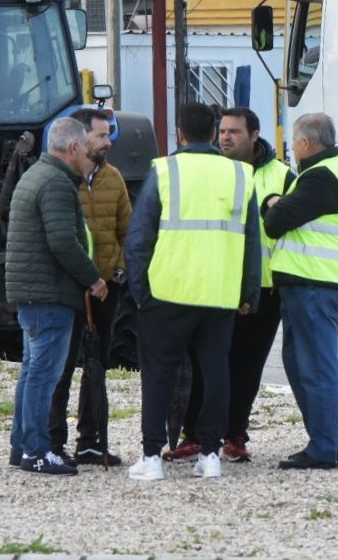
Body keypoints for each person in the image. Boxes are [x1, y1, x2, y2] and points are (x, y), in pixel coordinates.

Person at [124, 101, 261, 482]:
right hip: (219, 293)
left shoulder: (165, 170)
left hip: (167, 291)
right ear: (215, 133)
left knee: (158, 375)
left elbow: (138, 239)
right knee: (217, 374)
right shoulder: (240, 175)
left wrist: (140, 290)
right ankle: (211, 454)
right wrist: (249, 291)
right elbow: (253, 242)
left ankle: (152, 456)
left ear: (179, 133)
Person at [165, 106, 295, 464]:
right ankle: (194, 435)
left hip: (264, 287)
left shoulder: (281, 176)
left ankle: (235, 435)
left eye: (234, 132)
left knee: (247, 366)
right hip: (215, 282)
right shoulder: (214, 170)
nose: (225, 137)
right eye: (222, 131)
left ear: (255, 136)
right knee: (204, 364)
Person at [5, 116, 108, 476]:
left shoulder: (34, 176)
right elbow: (63, 241)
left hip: (31, 295)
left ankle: (21, 448)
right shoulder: (57, 184)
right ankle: (36, 450)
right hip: (49, 295)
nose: (88, 155)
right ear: (75, 147)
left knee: (31, 371)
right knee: (43, 376)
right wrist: (93, 278)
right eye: (86, 148)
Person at [262, 111, 338, 471]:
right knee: (299, 364)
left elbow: (275, 223)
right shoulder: (322, 174)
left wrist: (270, 203)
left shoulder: (321, 178)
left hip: (314, 286)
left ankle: (323, 448)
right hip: (307, 285)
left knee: (315, 368)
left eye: (293, 141)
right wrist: (277, 201)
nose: (291, 147)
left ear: (305, 143)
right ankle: (328, 442)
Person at [47, 107, 132, 467]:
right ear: (80, 141)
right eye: (100, 136)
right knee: (61, 367)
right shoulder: (61, 180)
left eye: (108, 134)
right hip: (70, 290)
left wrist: (121, 271)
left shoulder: (114, 178)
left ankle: (91, 442)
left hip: (106, 288)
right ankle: (52, 442)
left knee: (97, 365)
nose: (108, 142)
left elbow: (127, 231)